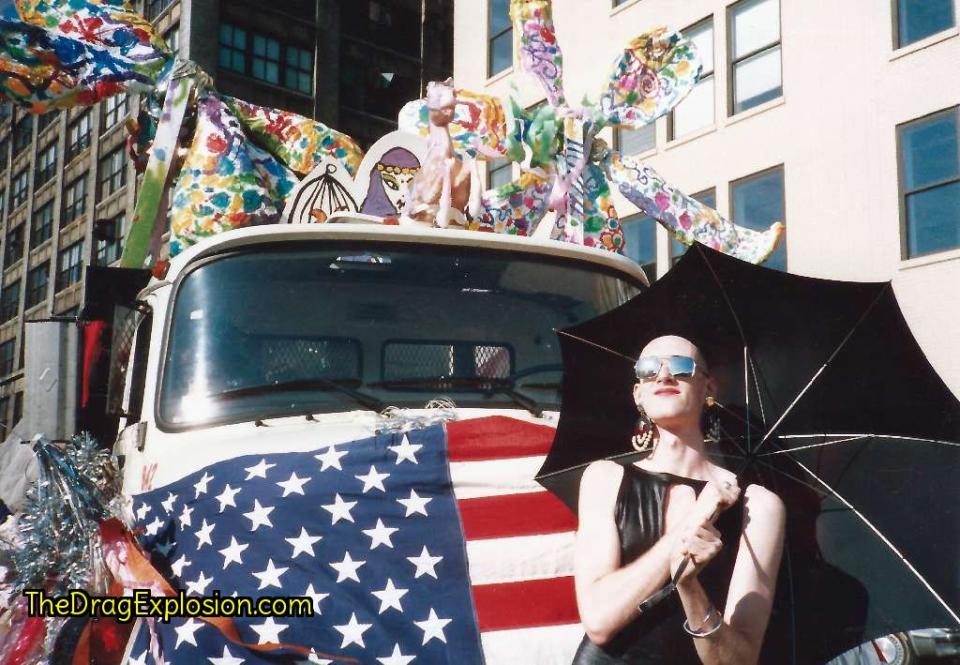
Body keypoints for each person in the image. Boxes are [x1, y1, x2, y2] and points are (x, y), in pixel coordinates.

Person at [572, 335, 786, 665]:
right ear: (638, 393)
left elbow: (740, 661)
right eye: (649, 368)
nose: (664, 375)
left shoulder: (758, 505)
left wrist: (689, 587)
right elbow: (599, 621)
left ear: (709, 389)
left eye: (683, 367)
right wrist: (690, 524)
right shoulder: (604, 478)